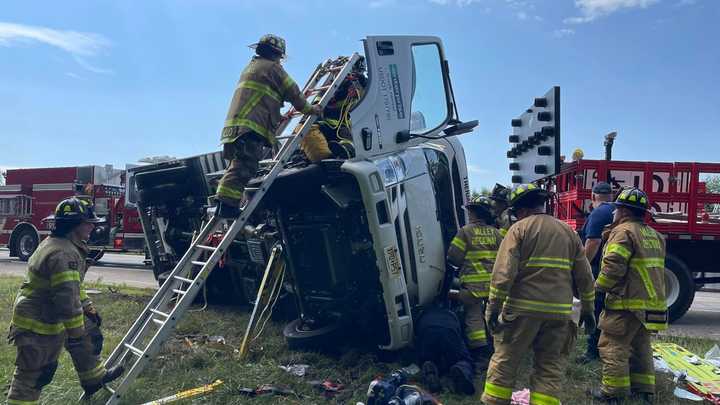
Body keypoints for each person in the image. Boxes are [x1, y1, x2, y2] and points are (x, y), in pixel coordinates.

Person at [481, 184, 596, 405]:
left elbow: (503, 273)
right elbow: (585, 277)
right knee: (550, 366)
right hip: (560, 313)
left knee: (505, 361)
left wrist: (492, 309)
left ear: (520, 210)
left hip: (521, 311)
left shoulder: (518, 230)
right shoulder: (568, 232)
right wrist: (588, 311)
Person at [7, 197, 124, 405]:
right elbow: (67, 300)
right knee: (34, 375)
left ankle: (93, 378)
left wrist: (88, 308)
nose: (92, 226)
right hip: (36, 326)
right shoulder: (63, 254)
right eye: (88, 223)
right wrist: (77, 335)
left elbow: (74, 286)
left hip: (47, 316)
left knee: (89, 330)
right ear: (74, 225)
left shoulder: (65, 245)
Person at [215, 34, 323, 218]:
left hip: (237, 126)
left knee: (238, 165)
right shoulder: (273, 68)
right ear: (276, 54)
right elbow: (294, 94)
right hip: (250, 128)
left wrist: (276, 116)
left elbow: (260, 100)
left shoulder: (252, 68)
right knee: (245, 166)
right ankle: (226, 205)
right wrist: (312, 109)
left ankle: (222, 204)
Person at [588, 188, 667, 404]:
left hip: (626, 302)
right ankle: (644, 391)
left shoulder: (623, 232)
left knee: (612, 345)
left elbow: (613, 266)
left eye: (616, 210)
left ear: (623, 211)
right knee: (641, 346)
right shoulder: (654, 234)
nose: (613, 214)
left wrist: (598, 288)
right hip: (651, 304)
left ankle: (613, 393)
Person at [446, 196, 503, 387]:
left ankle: (480, 354)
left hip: (472, 287)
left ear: (475, 213)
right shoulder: (497, 234)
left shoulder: (465, 232)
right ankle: (498, 348)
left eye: (470, 211)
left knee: (474, 318)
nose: (468, 213)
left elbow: (453, 257)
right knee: (494, 316)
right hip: (495, 286)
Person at [577, 181, 615, 364]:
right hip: (615, 269)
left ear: (593, 197)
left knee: (597, 309)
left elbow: (593, 242)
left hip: (599, 268)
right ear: (612, 195)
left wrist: (581, 266)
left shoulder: (599, 212)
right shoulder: (618, 211)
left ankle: (593, 352)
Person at [415, 305, 476, 395]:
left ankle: (430, 368)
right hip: (450, 332)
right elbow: (461, 337)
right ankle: (461, 368)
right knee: (464, 359)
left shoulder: (423, 313)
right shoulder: (452, 314)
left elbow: (416, 339)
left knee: (427, 358)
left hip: (427, 332)